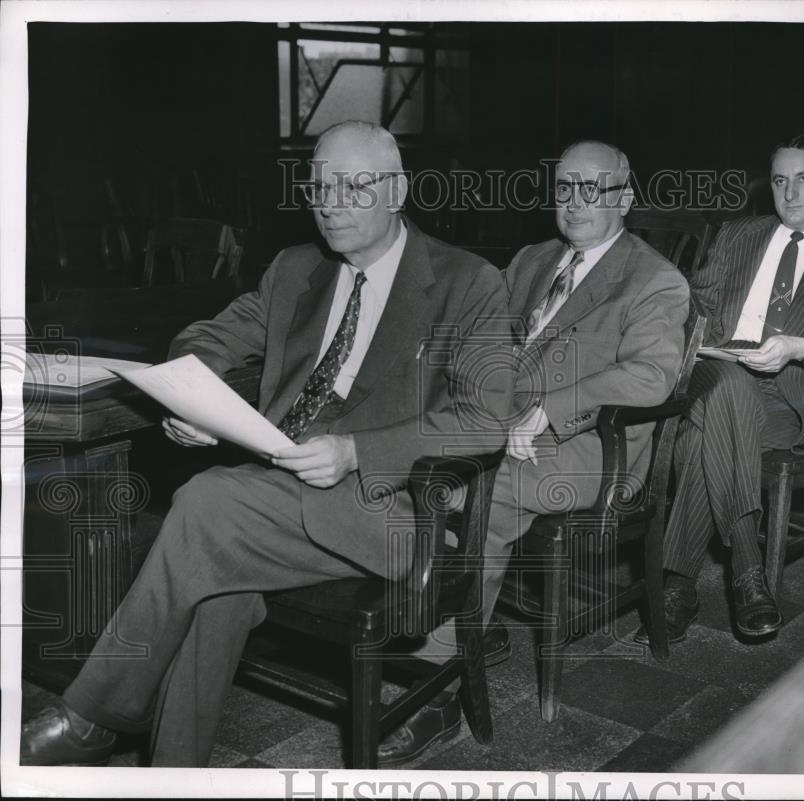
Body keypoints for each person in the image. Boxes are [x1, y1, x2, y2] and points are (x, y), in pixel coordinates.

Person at [20, 121, 511, 767]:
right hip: (270, 496)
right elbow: (206, 336)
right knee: (210, 581)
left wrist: (356, 450)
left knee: (203, 500)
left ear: (397, 188)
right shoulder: (295, 269)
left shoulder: (467, 281)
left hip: (395, 511)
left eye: (352, 185)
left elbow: (484, 419)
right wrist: (191, 395)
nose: (329, 201)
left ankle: (94, 714)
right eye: (317, 186)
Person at [375, 140, 690, 765]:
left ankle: (437, 689)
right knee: (395, 460)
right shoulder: (532, 259)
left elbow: (653, 377)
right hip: (502, 423)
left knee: (476, 499)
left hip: (595, 451)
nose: (574, 203)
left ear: (625, 197)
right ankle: (457, 619)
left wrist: (552, 407)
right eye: (564, 188)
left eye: (592, 190)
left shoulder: (655, 278)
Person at [634, 134, 804, 646]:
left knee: (699, 439)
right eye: (780, 181)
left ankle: (678, 582)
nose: (790, 193)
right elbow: (693, 305)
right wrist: (705, 340)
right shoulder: (736, 235)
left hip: (786, 400)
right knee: (727, 382)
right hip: (714, 371)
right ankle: (748, 572)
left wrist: (803, 347)